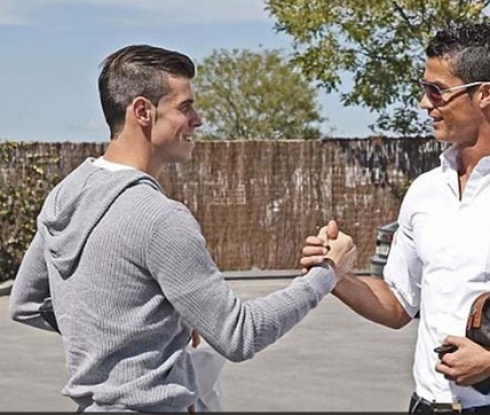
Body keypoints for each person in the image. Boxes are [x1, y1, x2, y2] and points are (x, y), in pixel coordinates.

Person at [9, 44, 357, 413]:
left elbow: (26, 304)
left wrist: (125, 332)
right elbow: (239, 336)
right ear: (143, 111)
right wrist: (327, 273)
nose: (198, 120)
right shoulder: (160, 218)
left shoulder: (64, 196)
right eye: (185, 107)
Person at [302, 22, 490, 413]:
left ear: (484, 94)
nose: (424, 103)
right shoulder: (425, 191)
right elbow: (399, 305)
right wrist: (335, 275)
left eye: (436, 90)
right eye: (424, 88)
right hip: (425, 405)